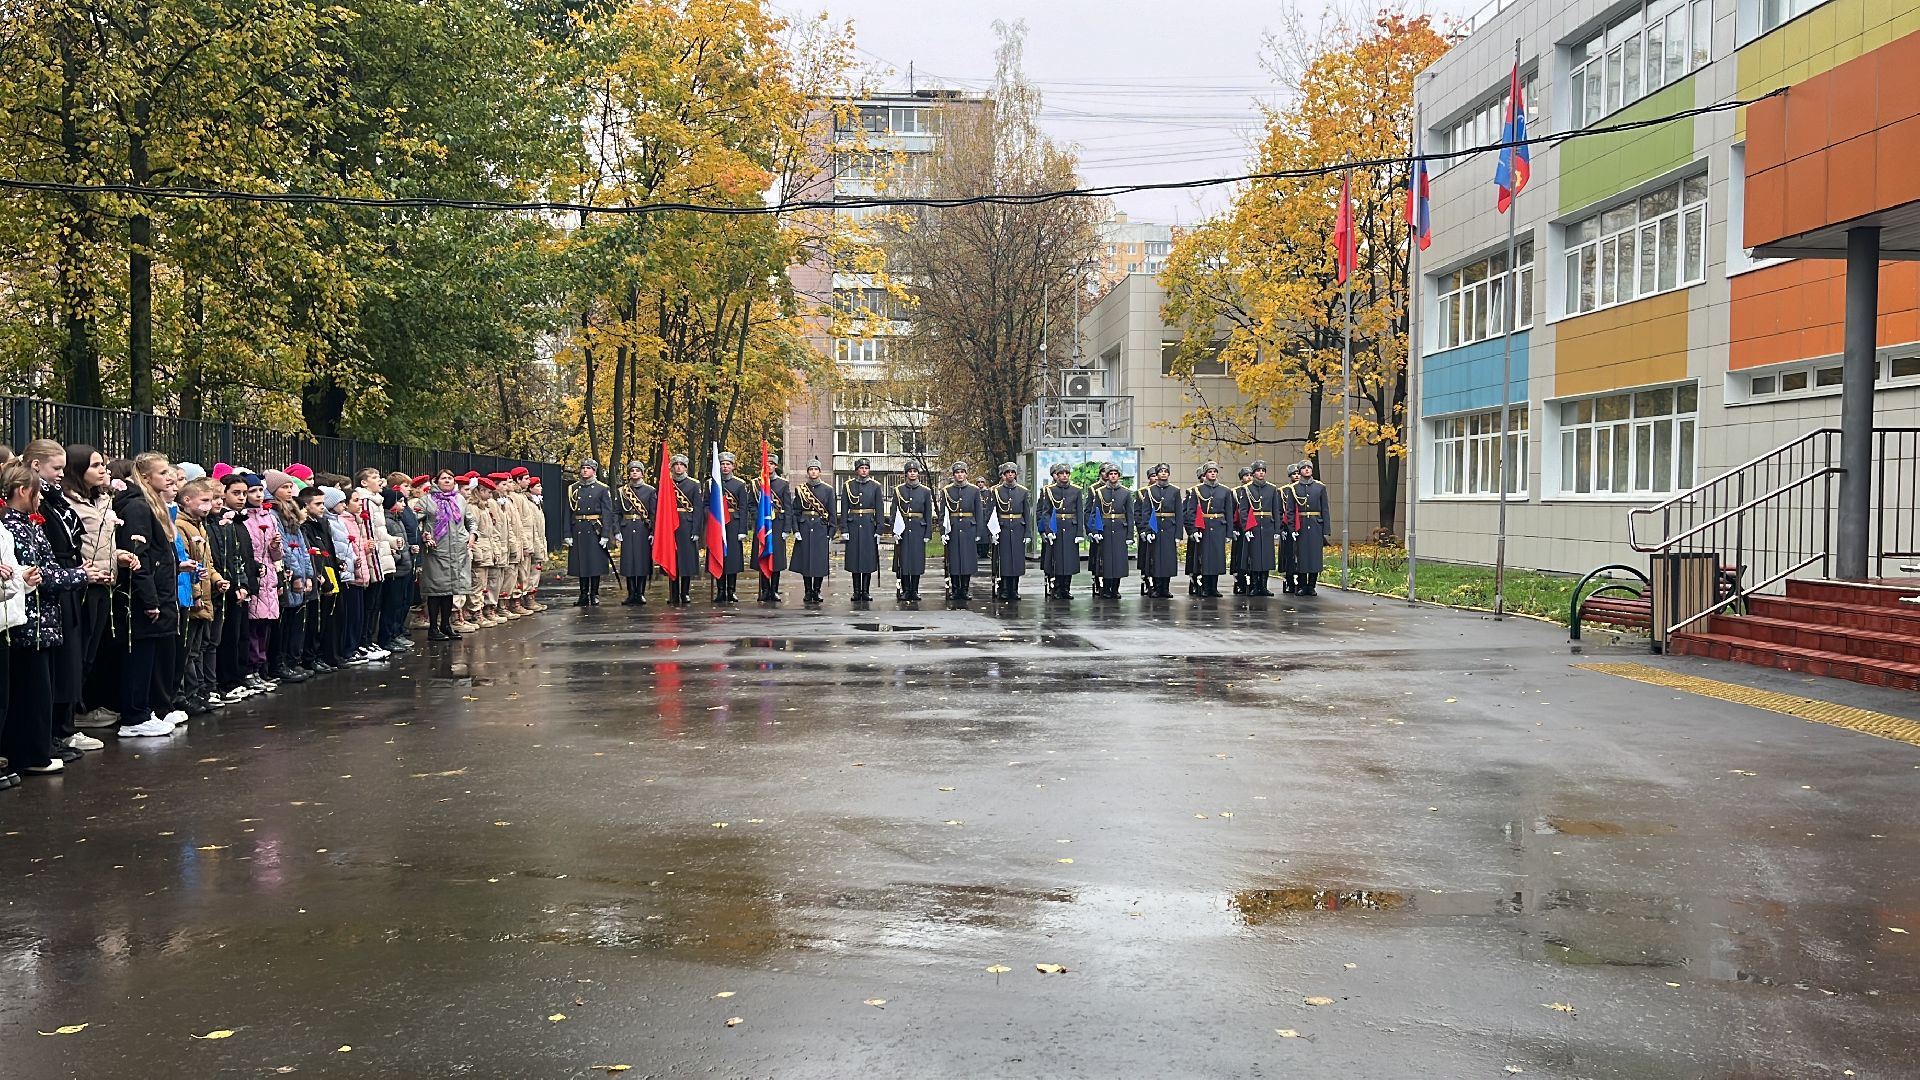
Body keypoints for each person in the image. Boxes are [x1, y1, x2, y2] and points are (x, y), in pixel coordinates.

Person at [3, 460, 93, 772]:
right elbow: (39, 574)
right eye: (37, 492)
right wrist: (80, 576)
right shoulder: (15, 528)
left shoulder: (30, 525)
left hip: (42, 623)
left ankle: (38, 749)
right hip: (30, 623)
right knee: (31, 693)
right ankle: (31, 754)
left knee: (41, 690)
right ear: (22, 491)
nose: (41, 498)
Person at [116, 454, 185, 736]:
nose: (170, 477)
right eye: (163, 473)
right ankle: (135, 716)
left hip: (160, 590)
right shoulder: (137, 507)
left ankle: (154, 707)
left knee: (155, 655)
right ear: (145, 477)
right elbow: (139, 556)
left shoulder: (152, 504)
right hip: (146, 594)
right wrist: (149, 598)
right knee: (140, 656)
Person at [61, 444, 127, 738]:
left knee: (91, 653)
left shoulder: (102, 499)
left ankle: (81, 710)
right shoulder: (68, 502)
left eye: (104, 465)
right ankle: (70, 717)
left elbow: (102, 542)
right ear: (78, 470)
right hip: (84, 584)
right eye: (95, 465)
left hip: (105, 582)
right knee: (79, 653)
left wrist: (118, 556)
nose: (103, 470)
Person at [418, 468, 474, 640]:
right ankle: (433, 628)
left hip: (457, 550)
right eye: (443, 478)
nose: (447, 481)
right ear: (436, 482)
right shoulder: (426, 500)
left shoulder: (459, 499)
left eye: (450, 478)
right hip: (437, 551)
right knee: (436, 590)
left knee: (450, 590)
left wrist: (472, 535)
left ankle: (446, 625)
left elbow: (470, 520)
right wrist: (424, 535)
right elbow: (415, 521)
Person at [565, 459, 615, 607]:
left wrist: (605, 534)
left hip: (595, 529)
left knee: (594, 563)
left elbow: (607, 513)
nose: (585, 470)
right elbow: (567, 512)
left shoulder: (602, 488)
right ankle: (583, 594)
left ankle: (594, 593)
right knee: (582, 563)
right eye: (583, 468)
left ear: (594, 470)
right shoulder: (573, 488)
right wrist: (567, 533)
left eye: (588, 468)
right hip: (579, 528)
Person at [709, 451, 754, 604]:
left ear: (733, 466)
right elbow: (706, 504)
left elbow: (743, 508)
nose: (725, 467)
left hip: (734, 524)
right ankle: (721, 590)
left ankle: (731, 590)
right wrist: (711, 518)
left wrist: (743, 530)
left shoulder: (740, 484)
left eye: (728, 464)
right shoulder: (712, 483)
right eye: (722, 464)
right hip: (717, 524)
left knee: (732, 559)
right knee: (718, 555)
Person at [1183, 461, 1232, 598]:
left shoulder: (1225, 491)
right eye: (1210, 472)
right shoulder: (1197, 490)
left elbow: (1228, 512)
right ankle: (1205, 586)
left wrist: (1229, 533)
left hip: (1218, 527)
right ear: (1205, 474)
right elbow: (1191, 512)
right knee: (1205, 558)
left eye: (1215, 471)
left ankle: (1214, 588)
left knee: (1216, 558)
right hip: (1203, 527)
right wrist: (1193, 530)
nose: (1213, 474)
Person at [791, 459, 836, 604]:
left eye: (816, 469)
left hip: (820, 528)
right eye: (811, 469)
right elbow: (795, 511)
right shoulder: (800, 489)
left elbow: (832, 513)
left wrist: (831, 532)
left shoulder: (828, 489)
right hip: (804, 527)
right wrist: (796, 530)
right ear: (807, 472)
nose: (813, 472)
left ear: (820, 472)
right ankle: (807, 591)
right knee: (806, 560)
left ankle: (817, 591)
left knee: (819, 561)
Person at [1086, 463, 1133, 599]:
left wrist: (1130, 535)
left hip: (1120, 529)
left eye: (1115, 474)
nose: (1113, 476)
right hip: (1105, 529)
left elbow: (1130, 515)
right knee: (1106, 560)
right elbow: (1095, 513)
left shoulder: (1125, 492)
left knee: (1118, 560)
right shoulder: (1100, 492)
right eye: (1110, 474)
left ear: (1119, 476)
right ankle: (1106, 589)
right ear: (1107, 476)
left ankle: (1116, 589)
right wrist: (1095, 531)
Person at [1134, 463, 1181, 598]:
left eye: (1166, 471)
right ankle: (1156, 587)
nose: (1163, 473)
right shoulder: (1149, 491)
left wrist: (1178, 534)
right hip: (1155, 528)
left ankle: (1165, 588)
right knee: (1155, 559)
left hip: (1169, 528)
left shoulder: (1175, 491)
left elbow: (1179, 513)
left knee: (1167, 559)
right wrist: (1147, 530)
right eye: (1161, 471)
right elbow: (1146, 512)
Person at [888, 462, 934, 602]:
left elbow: (928, 513)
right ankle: (906, 590)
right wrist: (894, 530)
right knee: (903, 560)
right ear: (906, 474)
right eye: (910, 471)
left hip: (918, 528)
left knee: (916, 560)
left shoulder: (925, 491)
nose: (912, 473)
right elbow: (893, 511)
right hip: (903, 529)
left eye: (915, 471)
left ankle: (914, 590)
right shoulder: (898, 490)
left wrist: (928, 532)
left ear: (918, 473)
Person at [1037, 463, 1083, 600]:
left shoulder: (1076, 490)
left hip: (1070, 528)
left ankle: (1066, 588)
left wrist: (1079, 533)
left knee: (1069, 560)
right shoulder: (1050, 490)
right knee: (1056, 559)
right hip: (1055, 527)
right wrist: (1048, 530)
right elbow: (1046, 512)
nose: (1064, 476)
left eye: (1066, 473)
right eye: (1061, 473)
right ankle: (1056, 588)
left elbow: (1079, 512)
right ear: (1056, 475)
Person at [840, 457, 883, 603]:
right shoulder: (848, 486)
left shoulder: (875, 486)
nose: (864, 471)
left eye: (866, 468)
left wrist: (879, 529)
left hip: (868, 526)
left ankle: (865, 591)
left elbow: (879, 509)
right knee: (855, 560)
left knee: (867, 559)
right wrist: (844, 528)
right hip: (853, 526)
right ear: (856, 470)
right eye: (861, 468)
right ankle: (856, 591)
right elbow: (844, 508)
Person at [986, 463, 1031, 602]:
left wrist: (1027, 533)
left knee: (1016, 561)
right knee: (1004, 560)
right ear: (1004, 475)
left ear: (1015, 474)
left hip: (1018, 528)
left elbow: (1027, 513)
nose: (1010, 474)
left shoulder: (1023, 491)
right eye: (1007, 472)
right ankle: (1004, 589)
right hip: (1003, 528)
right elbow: (991, 512)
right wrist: (992, 532)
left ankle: (1014, 589)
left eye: (1012, 472)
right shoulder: (996, 491)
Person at [753, 454, 793, 603]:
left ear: (775, 466)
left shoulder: (783, 484)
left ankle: (774, 590)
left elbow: (788, 507)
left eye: (771, 463)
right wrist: (759, 515)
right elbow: (751, 505)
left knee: (776, 559)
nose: (768, 466)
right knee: (763, 555)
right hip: (762, 525)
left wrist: (787, 528)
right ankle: (765, 590)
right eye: (766, 463)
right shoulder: (756, 483)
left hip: (777, 525)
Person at [1239, 461, 1283, 597]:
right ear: (1253, 473)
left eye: (1263, 470)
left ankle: (1264, 586)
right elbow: (1243, 510)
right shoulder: (1247, 489)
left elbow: (1276, 510)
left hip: (1268, 526)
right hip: (1254, 526)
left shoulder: (1272, 488)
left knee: (1266, 557)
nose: (1261, 472)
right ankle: (1254, 585)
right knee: (1255, 557)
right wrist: (1246, 528)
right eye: (1258, 470)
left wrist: (1277, 529)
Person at [616, 460, 656, 606]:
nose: (634, 473)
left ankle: (640, 593)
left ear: (642, 473)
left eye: (637, 470)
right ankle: (631, 593)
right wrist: (616, 530)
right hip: (627, 528)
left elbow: (653, 513)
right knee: (629, 562)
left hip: (643, 528)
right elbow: (616, 512)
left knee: (642, 561)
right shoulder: (622, 491)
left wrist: (653, 531)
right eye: (632, 470)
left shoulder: (650, 490)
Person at [663, 454, 701, 606]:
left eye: (681, 465)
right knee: (672, 560)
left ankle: (685, 592)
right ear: (672, 467)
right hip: (670, 526)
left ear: (685, 467)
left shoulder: (694, 484)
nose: (678, 467)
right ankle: (673, 593)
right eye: (676, 465)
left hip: (687, 524)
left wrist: (696, 530)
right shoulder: (666, 483)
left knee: (686, 561)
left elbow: (698, 509)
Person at [1289, 460, 1330, 596]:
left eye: (1309, 467)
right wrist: (1292, 528)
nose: (1307, 469)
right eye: (1304, 468)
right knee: (1301, 555)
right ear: (1300, 471)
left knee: (1314, 555)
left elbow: (1325, 508)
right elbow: (1290, 511)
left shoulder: (1320, 487)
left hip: (1315, 525)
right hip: (1301, 525)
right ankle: (1302, 585)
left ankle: (1312, 585)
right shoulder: (1294, 488)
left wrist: (1326, 529)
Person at [1278, 462, 1303, 593]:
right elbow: (1279, 511)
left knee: (1300, 554)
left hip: (1301, 525)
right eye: (1294, 474)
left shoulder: (1304, 488)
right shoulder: (1283, 491)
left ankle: (1301, 581)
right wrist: (1281, 528)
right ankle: (1288, 580)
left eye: (1298, 473)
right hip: (1288, 526)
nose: (1297, 476)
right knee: (1288, 555)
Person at [1230, 465, 1253, 595]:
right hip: (1240, 528)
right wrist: (1233, 528)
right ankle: (1239, 582)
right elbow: (1232, 511)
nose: (1249, 477)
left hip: (1253, 527)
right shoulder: (1235, 492)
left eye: (1250, 475)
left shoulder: (1255, 490)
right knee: (1239, 556)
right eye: (1246, 475)